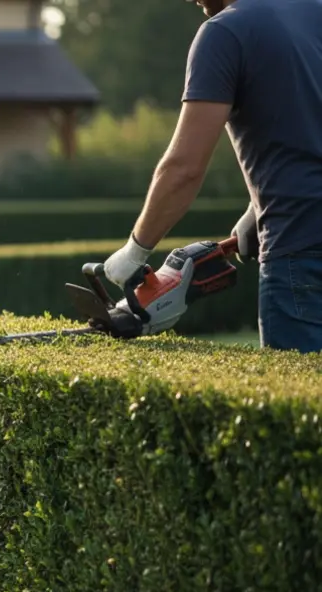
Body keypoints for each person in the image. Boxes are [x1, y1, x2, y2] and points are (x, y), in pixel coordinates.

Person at [101, 0, 322, 353]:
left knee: (306, 402)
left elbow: (184, 168)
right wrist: (256, 210)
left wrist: (135, 251)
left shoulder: (224, 32)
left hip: (302, 251)